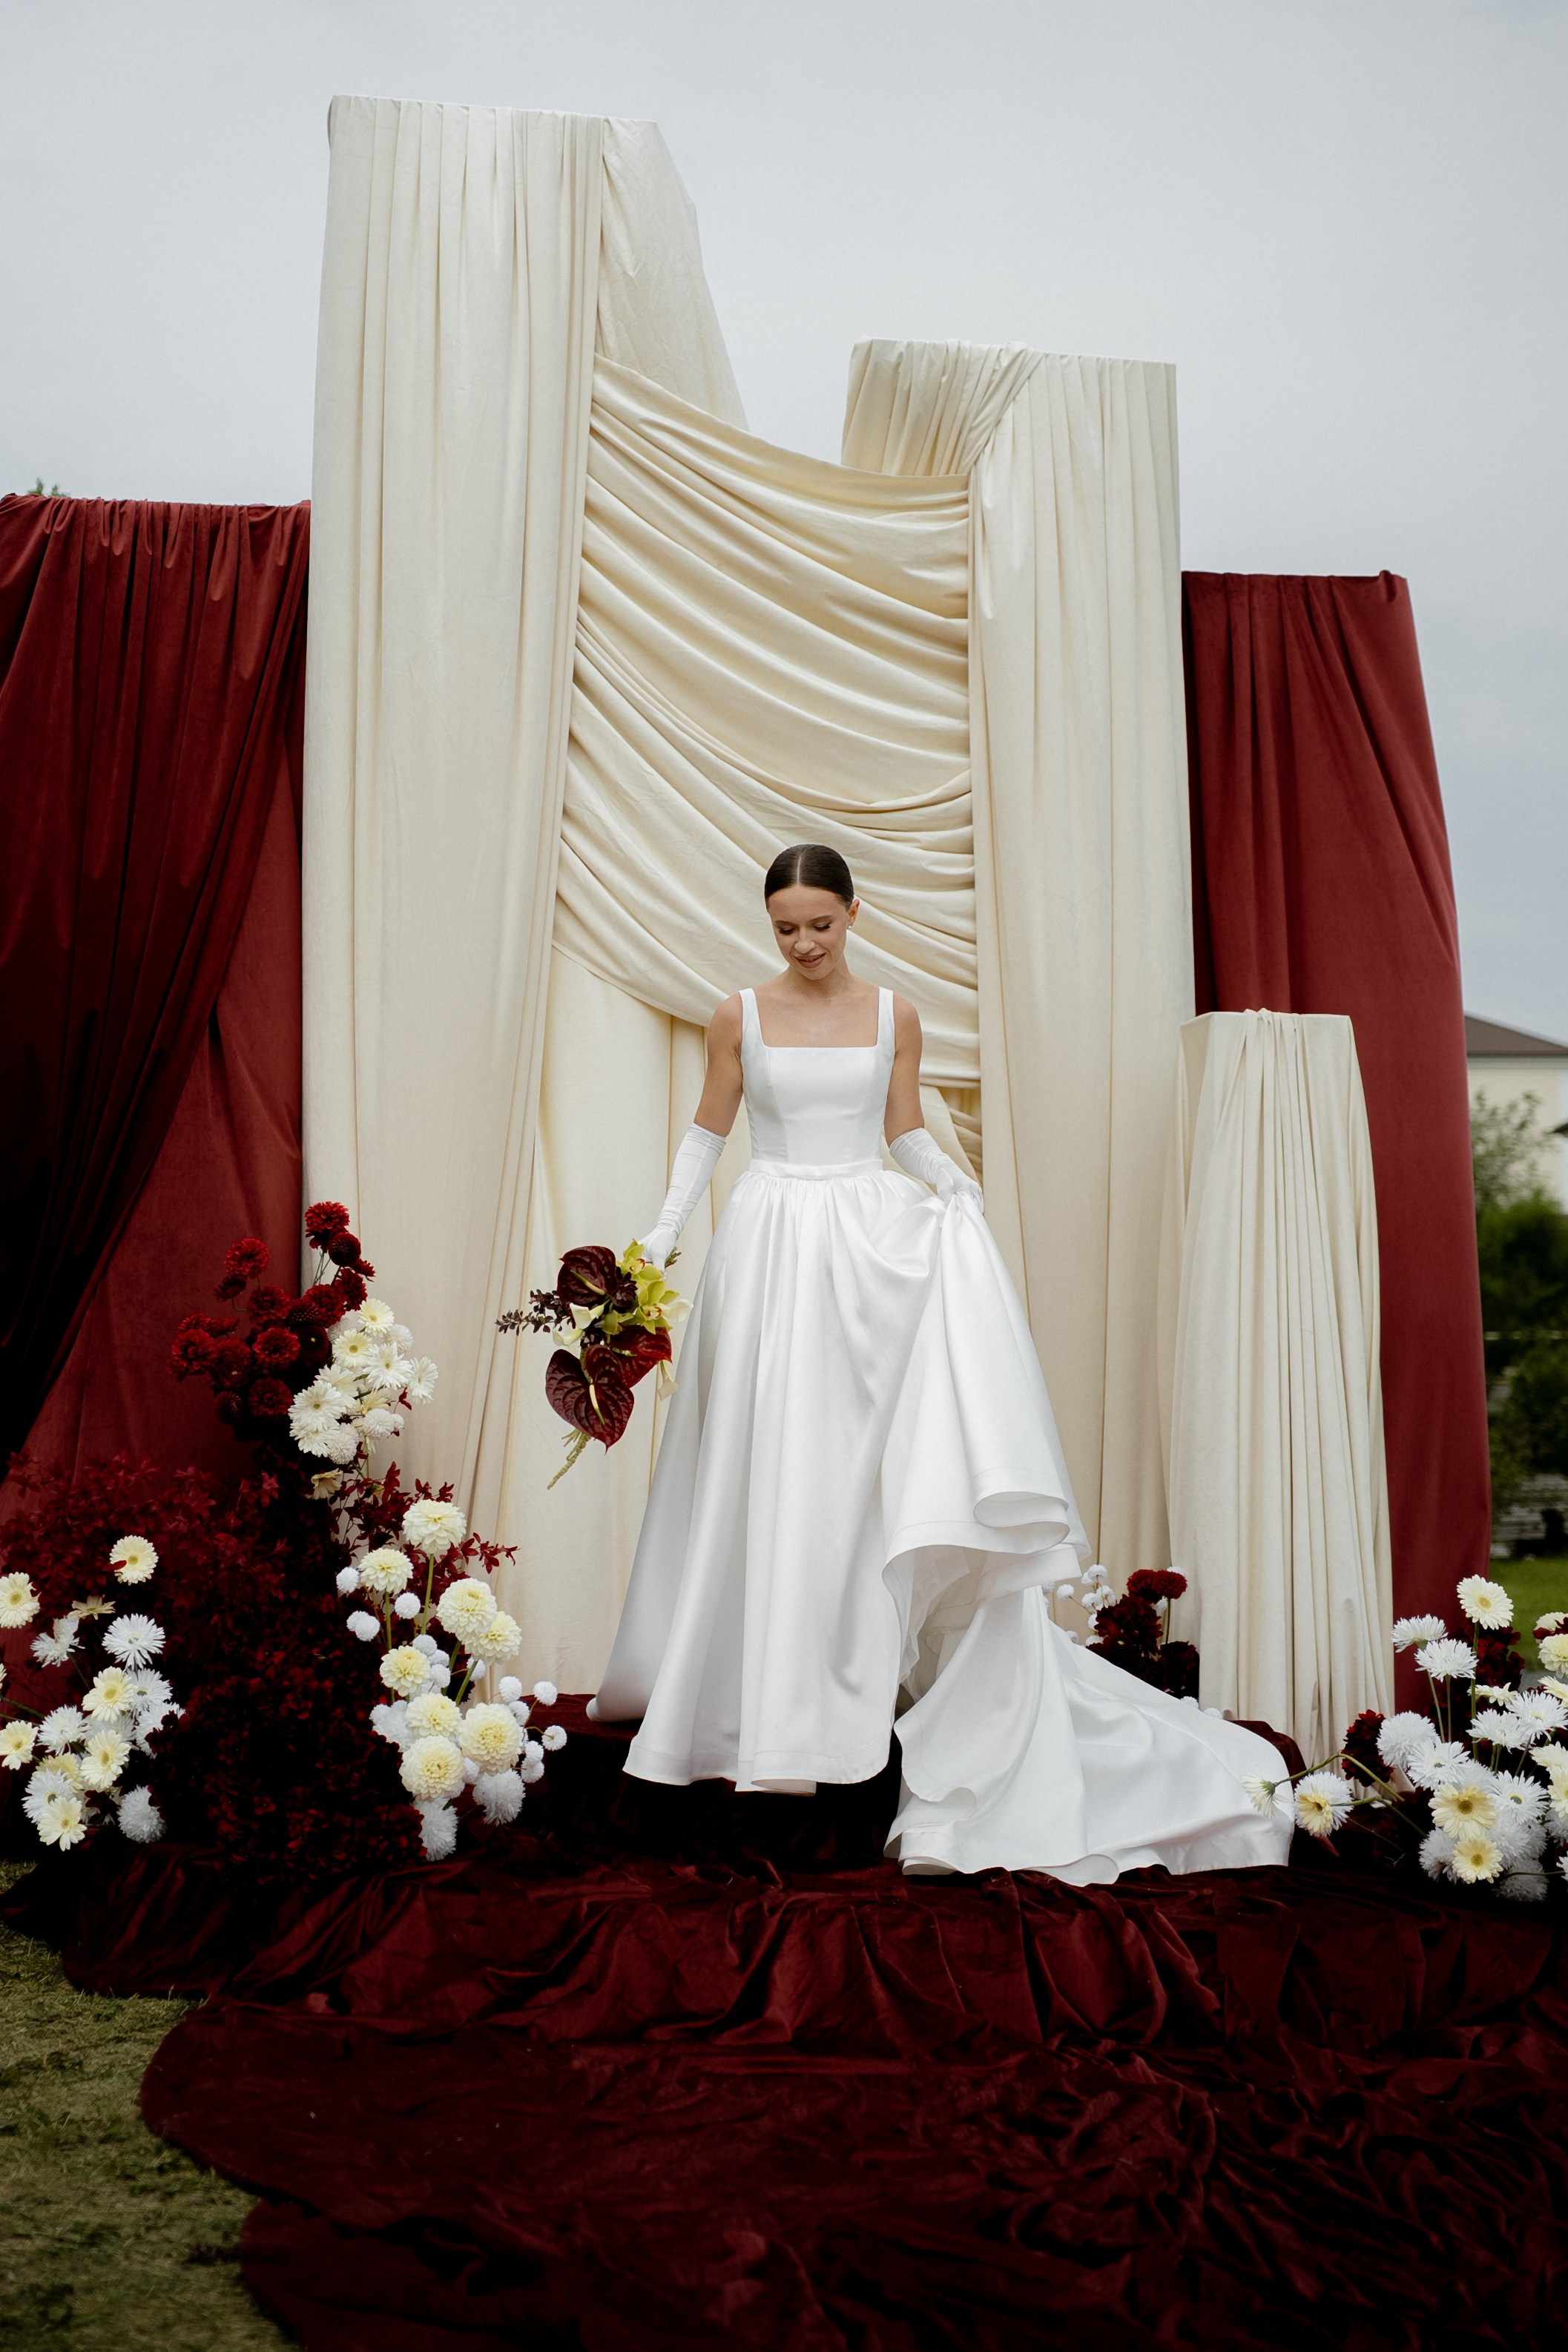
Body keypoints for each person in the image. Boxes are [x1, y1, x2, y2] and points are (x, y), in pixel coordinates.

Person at [590, 844, 1292, 1880]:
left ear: (853, 913)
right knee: (760, 1453)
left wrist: (951, 1186)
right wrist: (655, 1240)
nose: (803, 943)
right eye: (785, 928)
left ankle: (845, 1676)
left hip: (868, 1248)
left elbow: (902, 1130)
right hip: (769, 1242)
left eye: (819, 924)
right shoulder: (737, 1014)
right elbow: (707, 1137)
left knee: (852, 1469)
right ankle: (749, 1693)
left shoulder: (894, 1015)